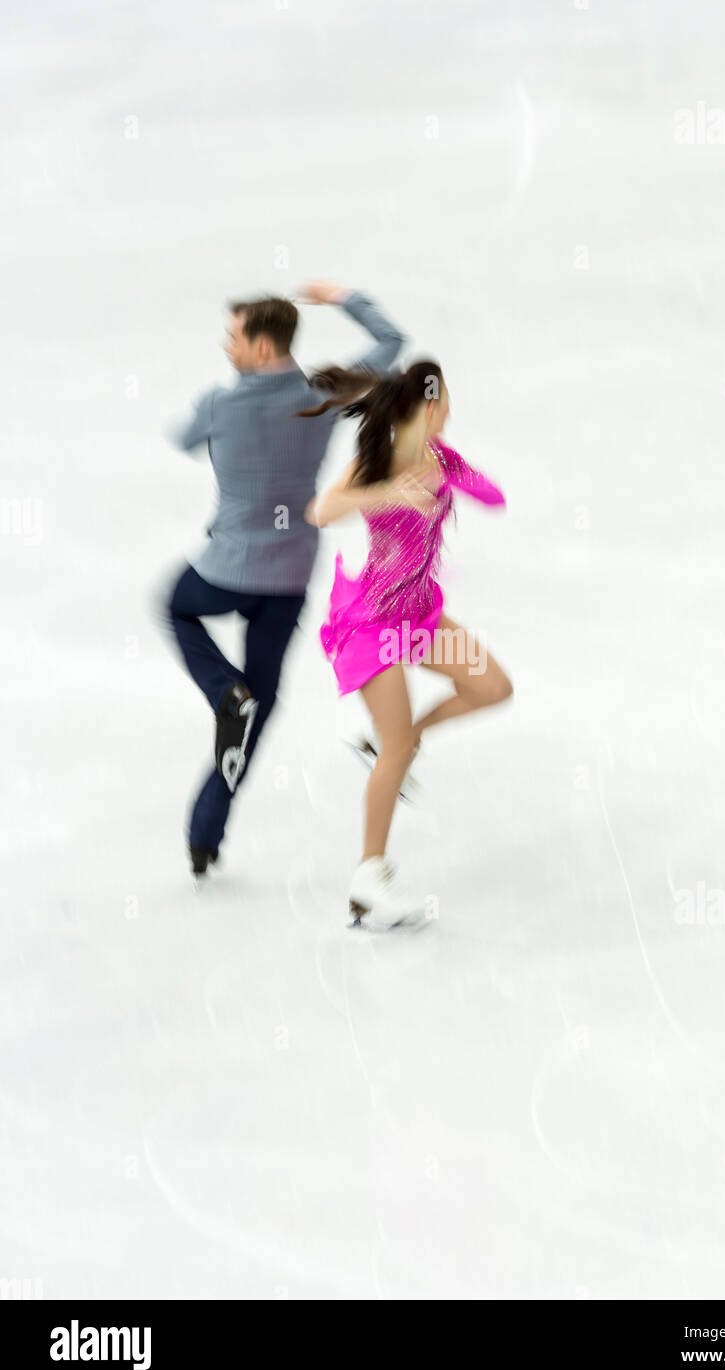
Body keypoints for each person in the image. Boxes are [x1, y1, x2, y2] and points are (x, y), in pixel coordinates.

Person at [166, 280, 405, 878]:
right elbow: (392, 340)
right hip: (291, 574)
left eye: (235, 337)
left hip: (227, 570)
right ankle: (205, 837)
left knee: (176, 605)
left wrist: (219, 404)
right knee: (262, 704)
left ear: (264, 346)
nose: (227, 347)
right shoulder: (323, 393)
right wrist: (345, 296)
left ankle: (225, 691)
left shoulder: (221, 405)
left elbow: (184, 438)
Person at [302, 360, 513, 928]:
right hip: (371, 625)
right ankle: (369, 877)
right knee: (393, 749)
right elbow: (319, 513)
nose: (449, 409)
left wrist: (453, 477)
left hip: (418, 618)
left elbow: (492, 496)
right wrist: (387, 492)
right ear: (425, 407)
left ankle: (402, 741)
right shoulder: (377, 462)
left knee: (492, 686)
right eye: (444, 400)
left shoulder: (441, 459)